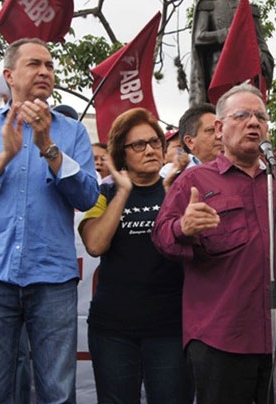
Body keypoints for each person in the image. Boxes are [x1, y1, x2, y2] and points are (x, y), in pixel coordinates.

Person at [152, 84, 276, 404]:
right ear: (219, 128)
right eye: (242, 115)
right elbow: (161, 238)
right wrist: (183, 227)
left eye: (260, 116)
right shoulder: (195, 182)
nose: (254, 123)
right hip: (221, 338)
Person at [0, 38, 99, 403]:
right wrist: (1, 160)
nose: (45, 71)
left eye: (49, 65)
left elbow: (89, 197)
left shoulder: (72, 132)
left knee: (58, 393)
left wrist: (49, 148)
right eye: (34, 64)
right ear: (9, 76)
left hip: (52, 278)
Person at [79, 108, 192, 403]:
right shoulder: (103, 193)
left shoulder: (180, 191)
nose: (150, 150)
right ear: (121, 152)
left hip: (171, 328)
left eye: (154, 142)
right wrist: (124, 191)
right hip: (113, 330)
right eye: (138, 145)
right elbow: (95, 245)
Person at [189, 0, 273, 105]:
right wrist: (229, 33)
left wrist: (262, 57)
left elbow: (260, 42)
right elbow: (199, 37)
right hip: (217, 71)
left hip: (244, 71)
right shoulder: (209, 6)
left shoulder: (249, 10)